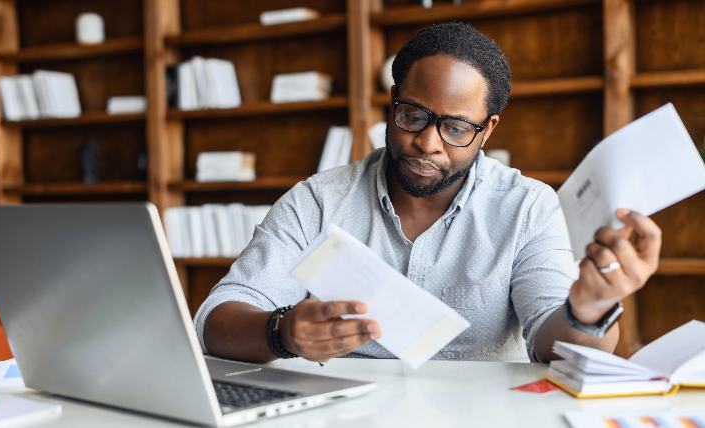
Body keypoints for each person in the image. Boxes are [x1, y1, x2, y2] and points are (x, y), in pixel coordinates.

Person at [193, 22, 661, 364]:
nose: (427, 142)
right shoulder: (317, 201)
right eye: (413, 115)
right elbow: (216, 318)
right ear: (392, 101)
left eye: (456, 127)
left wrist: (589, 309)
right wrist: (282, 332)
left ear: (487, 129)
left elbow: (551, 344)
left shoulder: (526, 206)